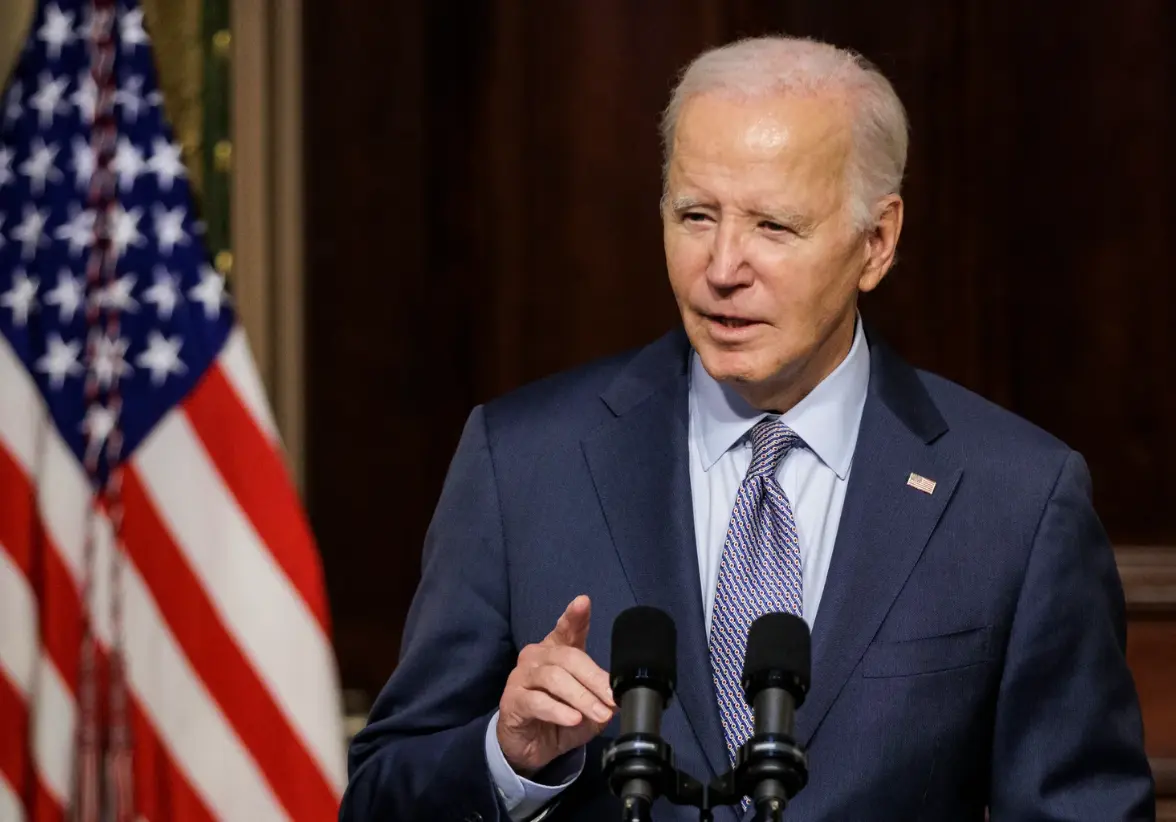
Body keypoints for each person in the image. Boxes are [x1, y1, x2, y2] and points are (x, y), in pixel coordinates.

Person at [338, 35, 1155, 821]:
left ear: (877, 241)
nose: (723, 268)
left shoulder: (1016, 499)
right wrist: (508, 757)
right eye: (696, 215)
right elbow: (380, 795)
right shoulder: (521, 464)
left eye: (773, 226)